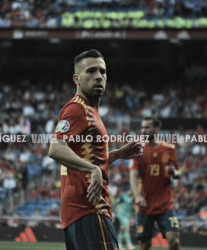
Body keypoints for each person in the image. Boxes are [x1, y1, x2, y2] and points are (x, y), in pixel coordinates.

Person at [49, 49, 143, 250]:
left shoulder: (90, 111)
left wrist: (116, 155)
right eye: (91, 71)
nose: (99, 76)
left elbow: (83, 157)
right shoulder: (77, 109)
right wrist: (94, 170)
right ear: (77, 78)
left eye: (102, 71)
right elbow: (56, 149)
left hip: (78, 212)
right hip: (90, 208)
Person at [129, 117, 181, 250]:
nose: (143, 130)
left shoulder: (169, 149)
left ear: (156, 129)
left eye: (147, 127)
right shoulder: (138, 150)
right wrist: (137, 196)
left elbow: (178, 174)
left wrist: (173, 172)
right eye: (142, 127)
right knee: (144, 245)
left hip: (165, 205)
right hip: (145, 205)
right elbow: (133, 175)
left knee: (174, 241)